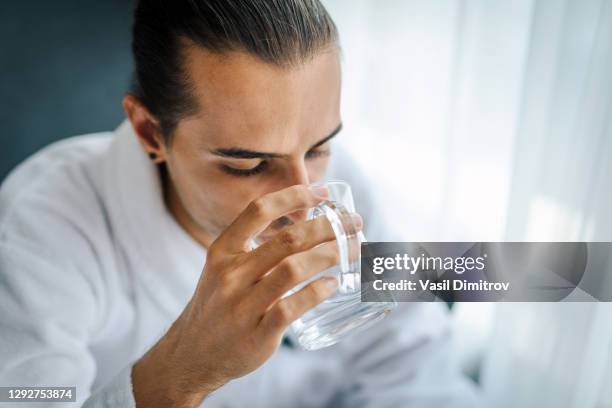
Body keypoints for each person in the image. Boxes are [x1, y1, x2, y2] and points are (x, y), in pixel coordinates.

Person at [0, 1, 479, 406]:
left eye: (318, 146)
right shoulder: (43, 225)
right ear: (151, 133)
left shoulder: (338, 178)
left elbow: (415, 360)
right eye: (249, 166)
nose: (301, 198)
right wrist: (182, 372)